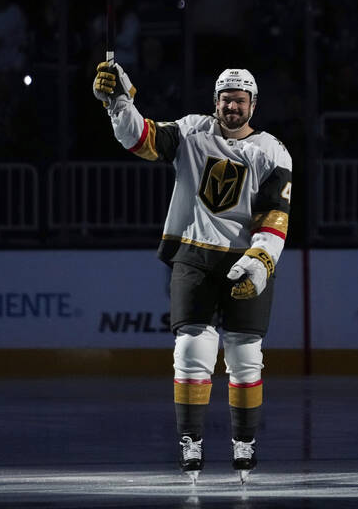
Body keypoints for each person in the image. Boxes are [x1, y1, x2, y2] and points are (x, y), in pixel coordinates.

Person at [92, 63, 292, 484]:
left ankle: (244, 443)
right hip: (194, 256)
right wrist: (119, 102)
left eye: (239, 99)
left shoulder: (273, 151)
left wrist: (260, 262)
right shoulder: (190, 132)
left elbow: (276, 216)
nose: (231, 106)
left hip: (246, 260)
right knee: (191, 353)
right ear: (215, 101)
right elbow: (140, 138)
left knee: (245, 359)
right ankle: (191, 442)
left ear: (252, 104)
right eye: (225, 98)